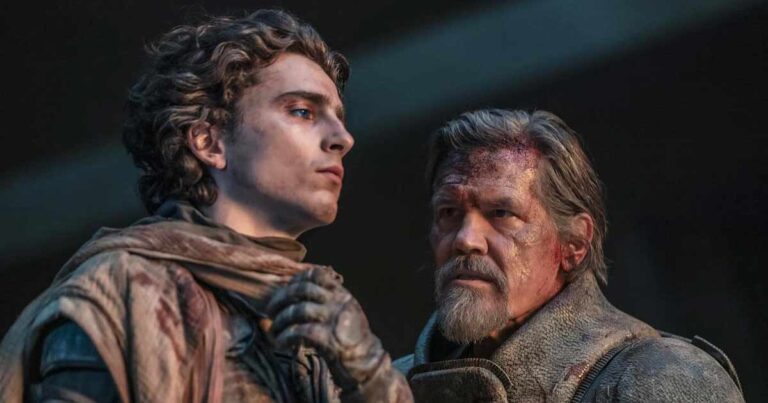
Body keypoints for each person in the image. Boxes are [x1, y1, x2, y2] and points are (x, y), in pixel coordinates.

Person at [0, 10, 409, 402]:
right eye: (302, 111)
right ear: (209, 142)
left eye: (339, 117)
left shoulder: (327, 321)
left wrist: (370, 380)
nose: (343, 138)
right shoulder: (120, 297)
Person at [392, 109, 744, 402]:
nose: (466, 239)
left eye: (501, 213)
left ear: (574, 243)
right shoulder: (386, 391)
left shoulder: (663, 379)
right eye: (449, 212)